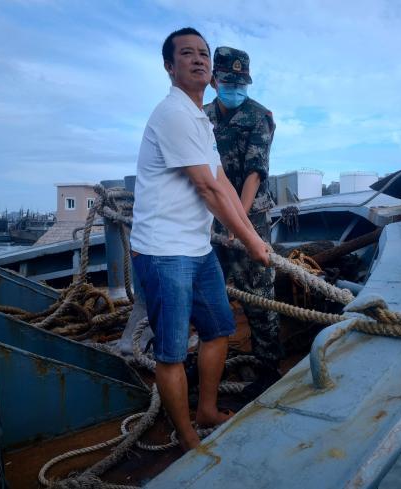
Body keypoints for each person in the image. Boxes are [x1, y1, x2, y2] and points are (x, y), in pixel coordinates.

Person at [130, 28, 270, 452]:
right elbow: (207, 190)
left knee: (219, 329)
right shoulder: (173, 113)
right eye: (186, 54)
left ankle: (206, 410)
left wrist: (242, 229)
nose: (198, 59)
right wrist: (250, 241)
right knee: (171, 353)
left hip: (196, 246)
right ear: (169, 67)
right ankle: (188, 437)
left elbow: (223, 180)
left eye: (204, 54)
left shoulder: (198, 118)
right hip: (163, 251)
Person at [204, 47, 283, 399]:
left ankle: (268, 369)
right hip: (208, 219)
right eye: (227, 81)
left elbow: (254, 173)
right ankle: (211, 366)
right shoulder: (200, 117)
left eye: (240, 82)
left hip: (250, 218)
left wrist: (239, 225)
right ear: (213, 80)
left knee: (259, 294)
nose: (234, 88)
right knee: (209, 291)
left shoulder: (258, 117)